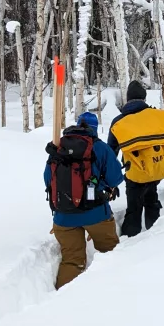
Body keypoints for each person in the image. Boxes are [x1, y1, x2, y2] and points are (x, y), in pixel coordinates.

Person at [44, 112, 123, 289]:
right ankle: (111, 291)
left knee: (72, 261)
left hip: (63, 218)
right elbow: (116, 178)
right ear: (94, 129)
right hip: (96, 214)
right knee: (111, 254)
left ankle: (60, 302)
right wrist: (98, 184)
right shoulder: (100, 148)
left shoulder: (58, 147)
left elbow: (48, 179)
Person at [108, 81, 164, 237]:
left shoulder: (119, 122)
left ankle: (131, 238)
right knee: (151, 200)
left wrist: (109, 178)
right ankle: (155, 233)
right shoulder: (155, 117)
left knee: (134, 207)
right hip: (156, 168)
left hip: (134, 172)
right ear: (144, 98)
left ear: (128, 99)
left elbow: (110, 152)